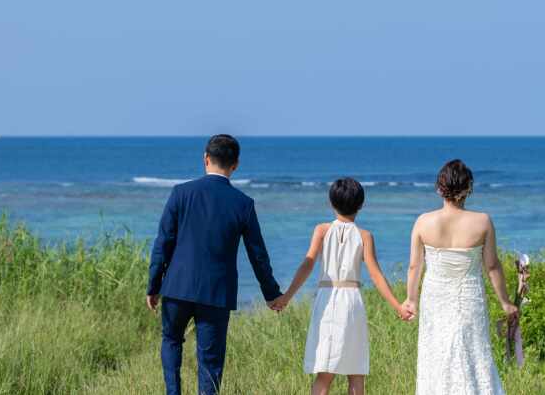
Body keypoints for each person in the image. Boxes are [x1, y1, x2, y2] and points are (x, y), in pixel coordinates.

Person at [146, 134, 282, 395]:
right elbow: (258, 254)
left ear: (206, 159)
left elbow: (163, 243)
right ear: (236, 165)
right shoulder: (243, 204)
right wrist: (271, 294)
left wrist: (153, 285)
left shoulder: (180, 193)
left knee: (172, 340)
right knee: (210, 362)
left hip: (176, 287)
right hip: (216, 293)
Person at [272, 177, 412, 395]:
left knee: (325, 372)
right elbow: (376, 275)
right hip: (352, 301)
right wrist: (398, 306)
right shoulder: (365, 235)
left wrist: (287, 297)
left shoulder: (322, 230)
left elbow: (307, 265)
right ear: (361, 205)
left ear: (331, 203)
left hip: (326, 301)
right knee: (355, 371)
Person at [404, 159, 518, 395]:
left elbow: (415, 266)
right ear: (468, 189)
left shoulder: (423, 222)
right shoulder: (482, 221)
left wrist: (411, 300)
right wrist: (506, 303)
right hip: (469, 298)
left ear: (439, 188)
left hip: (435, 299)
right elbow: (492, 266)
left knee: (438, 355)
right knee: (472, 353)